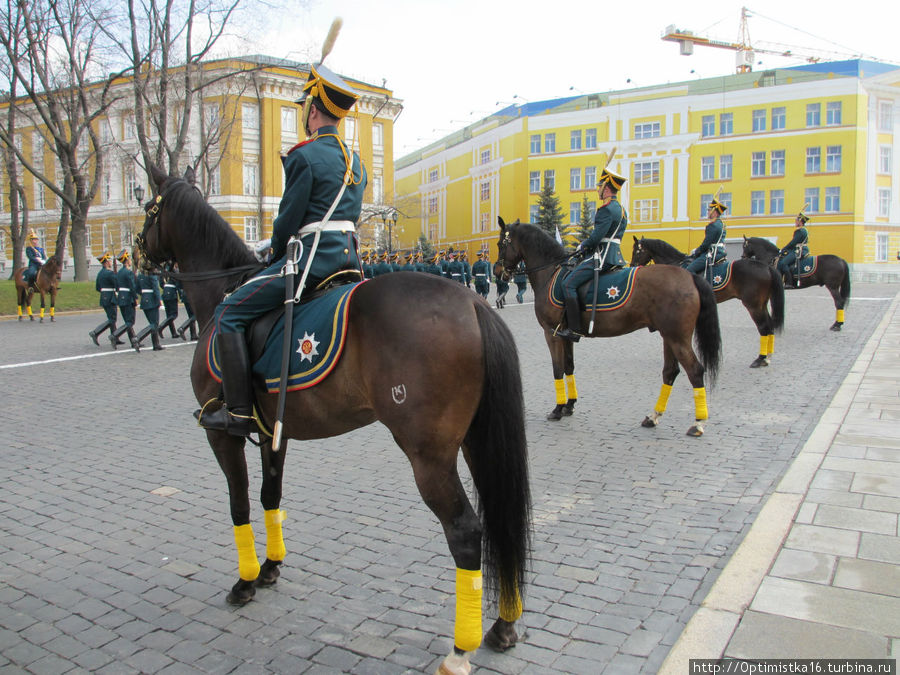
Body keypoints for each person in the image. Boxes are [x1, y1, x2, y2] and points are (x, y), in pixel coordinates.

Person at [201, 63, 367, 437]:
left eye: (303, 110)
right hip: (349, 262)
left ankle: (239, 411)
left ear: (312, 111)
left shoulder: (304, 156)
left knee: (227, 311)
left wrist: (275, 250)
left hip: (310, 262)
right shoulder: (356, 163)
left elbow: (288, 221)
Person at [557, 167, 628, 341]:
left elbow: (597, 237)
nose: (598, 190)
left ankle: (574, 330)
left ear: (606, 188)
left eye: (599, 187)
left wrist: (583, 245)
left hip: (602, 255)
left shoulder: (606, 209)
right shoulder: (621, 209)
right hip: (615, 255)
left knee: (568, 284)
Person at [683, 198, 727, 278]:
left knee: (689, 270)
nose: (708, 212)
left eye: (710, 210)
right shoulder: (721, 224)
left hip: (713, 253)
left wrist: (697, 251)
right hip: (720, 251)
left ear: (715, 213)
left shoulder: (713, 225)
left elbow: (706, 244)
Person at [109, 249, 141, 351]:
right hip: (128, 298)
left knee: (127, 321)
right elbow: (132, 286)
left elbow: (117, 286)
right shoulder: (129, 273)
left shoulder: (119, 273)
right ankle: (114, 335)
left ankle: (133, 341)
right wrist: (135, 298)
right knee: (130, 322)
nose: (131, 261)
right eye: (129, 259)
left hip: (121, 298)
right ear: (127, 261)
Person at [88, 252, 120, 346]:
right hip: (110, 297)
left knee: (111, 318)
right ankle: (96, 332)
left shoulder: (100, 273)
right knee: (112, 319)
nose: (110, 262)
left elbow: (98, 287)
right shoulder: (109, 273)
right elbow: (117, 283)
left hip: (104, 297)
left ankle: (115, 337)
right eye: (109, 260)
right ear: (106, 262)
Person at [135, 268, 165, 351]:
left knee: (152, 324)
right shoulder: (152, 275)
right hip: (152, 300)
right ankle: (137, 338)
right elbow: (156, 289)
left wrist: (145, 294)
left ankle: (156, 344)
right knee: (154, 324)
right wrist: (160, 301)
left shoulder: (140, 275)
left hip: (144, 299)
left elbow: (137, 288)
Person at [777, 210, 810, 287]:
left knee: (783, 263)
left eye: (796, 220)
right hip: (801, 250)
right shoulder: (804, 230)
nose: (795, 222)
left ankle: (789, 283)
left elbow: (793, 242)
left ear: (800, 221)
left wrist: (783, 249)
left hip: (799, 250)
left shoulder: (800, 231)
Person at [158, 271, 180, 338]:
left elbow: (161, 283)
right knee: (174, 315)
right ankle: (161, 327)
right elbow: (178, 284)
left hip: (165, 292)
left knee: (169, 315)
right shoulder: (174, 271)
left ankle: (173, 333)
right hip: (172, 293)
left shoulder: (163, 271)